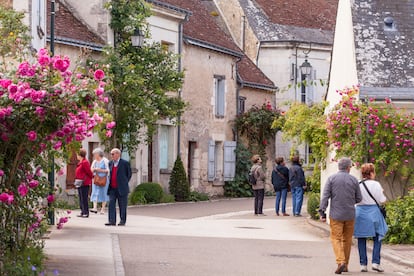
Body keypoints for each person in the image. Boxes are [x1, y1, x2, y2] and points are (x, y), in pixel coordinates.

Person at [319, 157, 362, 274]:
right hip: (350, 214)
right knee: (347, 240)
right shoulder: (354, 180)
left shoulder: (331, 179)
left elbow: (325, 196)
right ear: (348, 167)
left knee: (336, 238)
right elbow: (359, 198)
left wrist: (322, 211)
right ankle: (346, 264)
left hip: (336, 215)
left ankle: (341, 261)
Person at [354, 163, 388, 273]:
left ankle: (363, 264)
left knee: (361, 238)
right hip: (374, 212)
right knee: (378, 237)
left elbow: (354, 199)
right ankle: (375, 262)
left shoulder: (358, 184)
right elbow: (383, 201)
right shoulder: (376, 184)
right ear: (372, 173)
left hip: (360, 212)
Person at [105, 148, 132, 226]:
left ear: (118, 154)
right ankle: (112, 221)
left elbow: (129, 174)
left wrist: (124, 182)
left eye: (113, 154)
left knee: (122, 205)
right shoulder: (110, 163)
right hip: (112, 188)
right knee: (111, 204)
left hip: (122, 188)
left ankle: (122, 221)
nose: (111, 156)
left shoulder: (125, 163)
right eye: (111, 154)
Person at [90, 148, 110, 214]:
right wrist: (94, 169)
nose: (94, 156)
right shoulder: (95, 161)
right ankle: (94, 208)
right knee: (95, 192)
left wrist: (99, 170)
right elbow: (91, 168)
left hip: (104, 179)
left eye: (95, 154)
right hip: (96, 179)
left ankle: (103, 209)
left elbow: (108, 170)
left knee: (104, 193)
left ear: (98, 154)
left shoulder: (105, 160)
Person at [75, 148, 93, 218]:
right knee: (81, 197)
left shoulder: (85, 162)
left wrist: (90, 178)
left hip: (84, 182)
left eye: (77, 154)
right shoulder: (80, 162)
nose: (77, 156)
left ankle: (86, 212)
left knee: (84, 197)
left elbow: (89, 172)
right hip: (80, 182)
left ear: (80, 155)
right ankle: (82, 211)